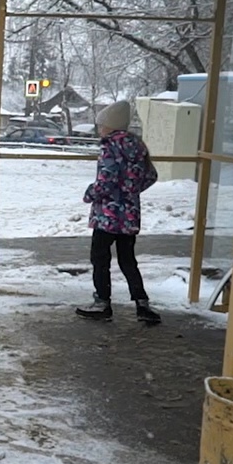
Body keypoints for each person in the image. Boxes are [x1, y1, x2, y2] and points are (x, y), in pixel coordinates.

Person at [76, 100, 162, 325]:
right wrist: (130, 193)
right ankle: (142, 304)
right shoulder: (138, 146)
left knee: (100, 258)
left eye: (100, 125)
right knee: (127, 259)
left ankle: (102, 303)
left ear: (110, 126)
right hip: (129, 215)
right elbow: (151, 176)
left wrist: (90, 194)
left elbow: (107, 180)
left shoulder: (109, 147)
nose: (98, 129)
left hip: (108, 215)